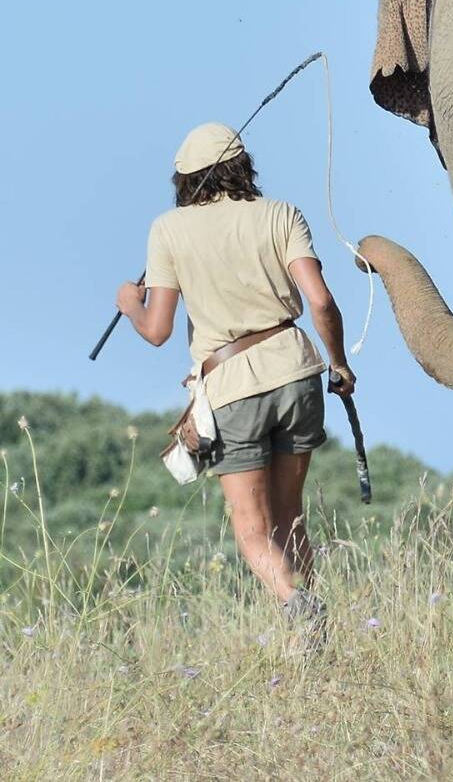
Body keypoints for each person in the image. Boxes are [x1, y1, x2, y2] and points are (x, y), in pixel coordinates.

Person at [115, 122, 356, 645]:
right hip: (296, 373)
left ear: (185, 180)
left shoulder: (168, 230)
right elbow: (320, 301)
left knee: (251, 528)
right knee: (290, 517)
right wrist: (338, 365)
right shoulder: (281, 214)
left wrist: (131, 304)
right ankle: (310, 642)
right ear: (243, 166)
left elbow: (157, 330)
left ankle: (297, 605)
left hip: (231, 388)